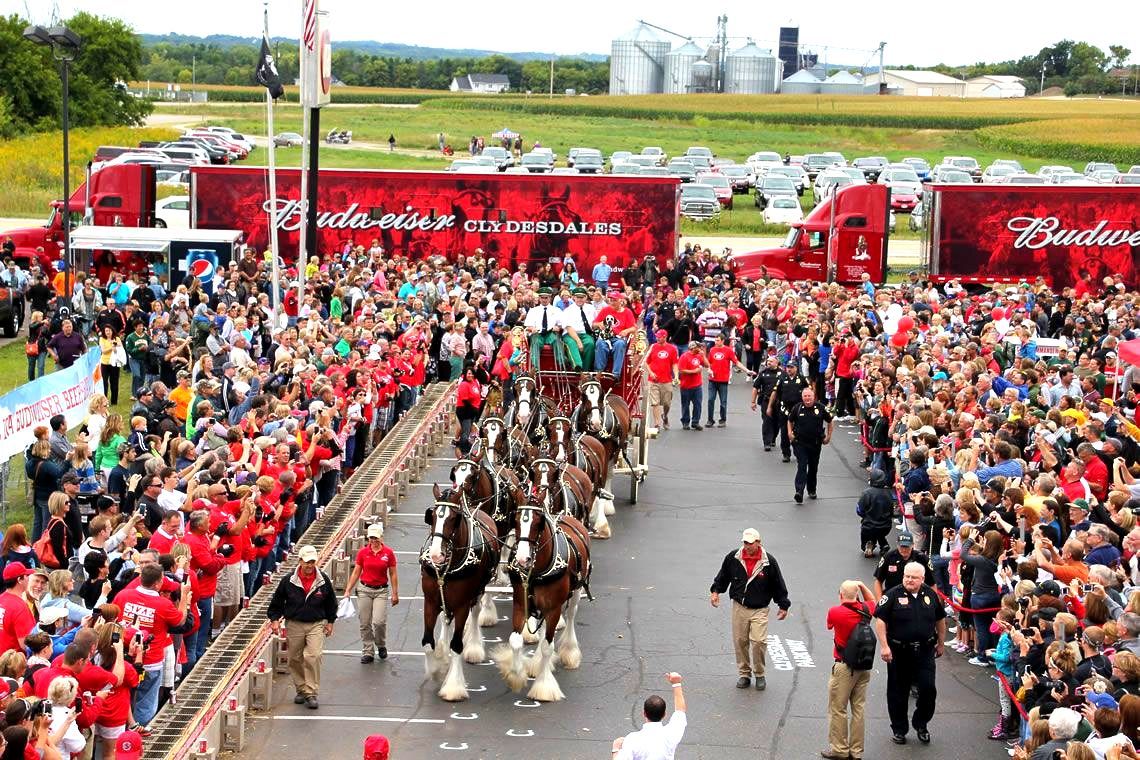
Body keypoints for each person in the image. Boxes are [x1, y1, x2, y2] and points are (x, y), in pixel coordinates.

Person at [873, 561, 947, 745]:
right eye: (907, 576)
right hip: (899, 652)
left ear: (922, 579)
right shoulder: (892, 595)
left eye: (914, 577)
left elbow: (940, 620)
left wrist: (941, 643)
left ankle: (921, 723)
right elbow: (880, 621)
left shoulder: (930, 595)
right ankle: (899, 729)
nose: (909, 580)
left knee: (928, 689)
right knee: (898, 691)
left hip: (924, 651)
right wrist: (884, 646)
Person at [709, 528, 791, 691]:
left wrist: (783, 605)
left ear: (759, 543)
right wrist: (715, 591)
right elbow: (723, 576)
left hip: (759, 609)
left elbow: (777, 584)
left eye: (750, 543)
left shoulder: (768, 562)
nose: (747, 546)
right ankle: (744, 674)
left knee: (759, 641)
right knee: (740, 641)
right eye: (745, 542)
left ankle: (760, 674)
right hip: (739, 607)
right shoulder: (734, 557)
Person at [266, 544, 338, 709]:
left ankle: (311, 692)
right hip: (294, 624)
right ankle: (301, 688)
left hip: (316, 624)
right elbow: (276, 602)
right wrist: (275, 620)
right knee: (295, 658)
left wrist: (330, 622)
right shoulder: (289, 581)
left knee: (313, 656)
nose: (309, 565)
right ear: (299, 561)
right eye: (306, 562)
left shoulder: (323, 580)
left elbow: (331, 603)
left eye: (312, 562)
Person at [823, 580, 877, 760]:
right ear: (857, 594)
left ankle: (839, 749)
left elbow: (829, 625)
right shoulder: (866, 610)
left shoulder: (835, 612)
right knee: (858, 709)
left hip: (844, 666)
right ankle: (856, 751)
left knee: (838, 708)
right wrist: (861, 585)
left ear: (840, 595)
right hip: (863, 666)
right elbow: (874, 601)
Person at [343, 523, 399, 664]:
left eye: (375, 537)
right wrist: (348, 589)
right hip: (364, 590)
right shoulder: (363, 552)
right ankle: (368, 650)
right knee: (365, 622)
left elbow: (392, 574)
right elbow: (356, 571)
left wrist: (395, 593)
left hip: (380, 590)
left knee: (379, 622)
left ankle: (381, 644)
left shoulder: (388, 553)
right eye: (371, 538)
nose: (373, 540)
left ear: (381, 537)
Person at [611, 672, 687, 760]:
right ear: (664, 714)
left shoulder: (632, 740)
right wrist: (676, 683)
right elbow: (680, 711)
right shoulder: (671, 733)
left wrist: (615, 748)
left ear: (644, 713)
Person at [788, 386, 834, 503]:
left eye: (809, 396)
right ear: (802, 397)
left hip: (815, 443)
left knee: (813, 468)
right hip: (800, 443)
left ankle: (812, 489)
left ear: (814, 397)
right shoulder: (797, 408)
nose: (807, 398)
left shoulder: (821, 408)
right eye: (805, 396)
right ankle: (799, 491)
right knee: (802, 465)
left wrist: (828, 436)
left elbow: (830, 421)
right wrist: (789, 433)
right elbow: (790, 420)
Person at [705, 333, 753, 428]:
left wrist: (747, 371)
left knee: (723, 402)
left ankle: (723, 420)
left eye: (718, 340)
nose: (716, 342)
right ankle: (710, 420)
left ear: (723, 341)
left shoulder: (728, 351)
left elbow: (737, 362)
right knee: (710, 400)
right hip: (713, 380)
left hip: (723, 380)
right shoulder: (712, 350)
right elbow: (708, 363)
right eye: (715, 340)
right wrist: (709, 369)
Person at [873, 532, 934, 598]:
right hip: (892, 596)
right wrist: (879, 602)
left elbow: (932, 584)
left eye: (907, 546)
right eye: (902, 546)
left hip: (916, 597)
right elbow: (878, 580)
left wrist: (933, 603)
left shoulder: (922, 558)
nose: (904, 549)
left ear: (913, 545)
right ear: (897, 545)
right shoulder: (888, 557)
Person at [768, 362, 808, 463]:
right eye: (788, 367)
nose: (789, 369)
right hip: (784, 409)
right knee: (784, 432)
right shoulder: (782, 378)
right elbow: (775, 392)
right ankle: (786, 453)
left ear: (796, 368)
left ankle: (799, 452)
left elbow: (809, 392)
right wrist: (769, 406)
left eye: (791, 367)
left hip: (798, 410)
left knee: (799, 432)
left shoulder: (802, 379)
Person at [857, 469, 896, 558]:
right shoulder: (889, 493)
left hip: (869, 525)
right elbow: (892, 511)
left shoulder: (867, 493)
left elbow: (859, 510)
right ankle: (884, 545)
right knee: (879, 532)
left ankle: (868, 544)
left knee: (870, 531)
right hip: (885, 526)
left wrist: (864, 516)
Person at [750, 355, 782, 451]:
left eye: (771, 361)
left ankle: (773, 438)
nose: (768, 363)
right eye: (768, 361)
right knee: (767, 421)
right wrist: (753, 401)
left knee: (777, 422)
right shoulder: (763, 373)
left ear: (776, 363)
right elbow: (755, 387)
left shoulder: (783, 373)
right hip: (766, 400)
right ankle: (766, 442)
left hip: (778, 402)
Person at [677, 341, 708, 431]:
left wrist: (703, 356)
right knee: (685, 405)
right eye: (699, 347)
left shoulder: (699, 356)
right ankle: (685, 422)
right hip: (686, 386)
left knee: (697, 404)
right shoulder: (684, 357)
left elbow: (707, 365)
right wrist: (694, 371)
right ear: (693, 348)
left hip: (697, 385)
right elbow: (681, 370)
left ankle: (695, 422)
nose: (700, 349)